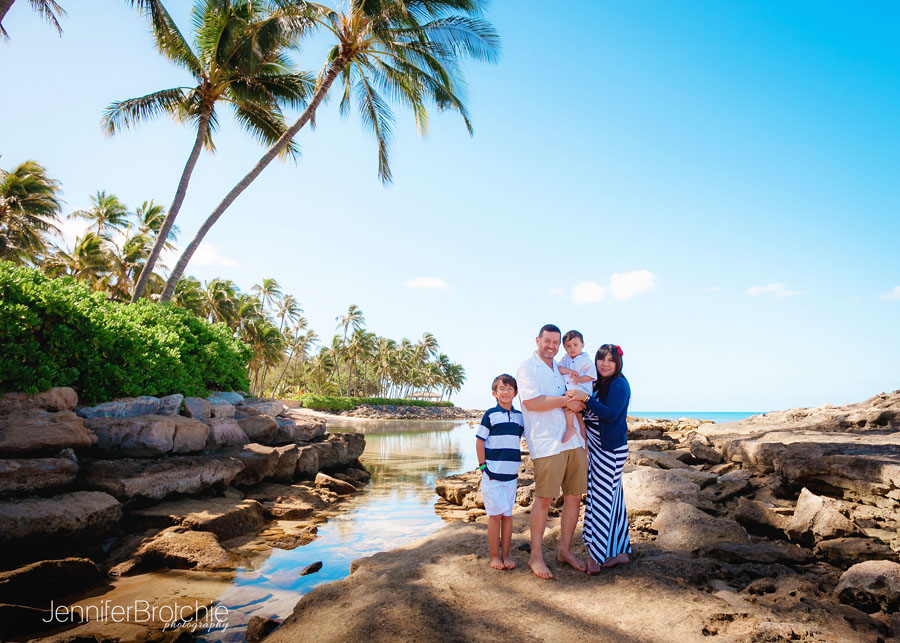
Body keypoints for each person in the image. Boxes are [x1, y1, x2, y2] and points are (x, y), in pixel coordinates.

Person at [516, 324, 589, 579]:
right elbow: (532, 402)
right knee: (545, 498)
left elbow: (580, 402)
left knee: (574, 496)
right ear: (538, 340)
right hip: (547, 442)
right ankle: (535, 556)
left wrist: (576, 404)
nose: (552, 346)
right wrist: (566, 401)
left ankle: (565, 551)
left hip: (574, 441)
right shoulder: (528, 367)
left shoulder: (560, 368)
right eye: (547, 341)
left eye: (556, 342)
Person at [566, 344, 632, 572]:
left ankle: (595, 557)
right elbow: (591, 411)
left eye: (611, 360)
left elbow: (610, 415)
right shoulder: (601, 384)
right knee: (614, 501)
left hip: (609, 451)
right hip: (600, 450)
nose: (605, 364)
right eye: (601, 359)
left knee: (600, 501)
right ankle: (620, 553)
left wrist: (585, 398)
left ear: (618, 363)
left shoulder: (619, 384)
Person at [476, 374, 525, 570]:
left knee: (508, 515)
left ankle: (506, 555)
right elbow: (480, 441)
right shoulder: (490, 415)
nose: (505, 392)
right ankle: (495, 557)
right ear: (494, 393)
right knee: (495, 516)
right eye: (501, 389)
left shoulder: (520, 417)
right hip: (492, 475)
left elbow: (525, 438)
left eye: (509, 389)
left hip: (511, 476)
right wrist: (483, 467)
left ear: (516, 393)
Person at [557, 329, 597, 443]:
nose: (572, 348)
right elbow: (559, 368)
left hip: (582, 393)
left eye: (575, 345)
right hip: (571, 392)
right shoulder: (566, 358)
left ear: (582, 345)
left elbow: (592, 375)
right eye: (568, 346)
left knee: (567, 406)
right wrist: (569, 371)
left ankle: (571, 428)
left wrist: (580, 379)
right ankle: (583, 443)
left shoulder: (585, 360)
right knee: (578, 418)